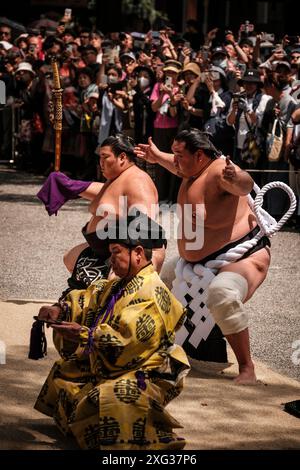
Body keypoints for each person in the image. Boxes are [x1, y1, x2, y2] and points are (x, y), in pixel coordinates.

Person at [34, 214, 190, 450]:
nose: (110, 260)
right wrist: (61, 308)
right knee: (66, 372)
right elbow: (92, 296)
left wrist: (84, 334)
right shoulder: (123, 282)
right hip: (112, 363)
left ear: (138, 253)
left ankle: (142, 443)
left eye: (116, 252)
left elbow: (128, 342)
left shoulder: (152, 293)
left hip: (143, 372)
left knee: (112, 397)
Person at [134, 129, 272, 384]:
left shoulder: (221, 172)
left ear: (199, 155)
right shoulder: (190, 169)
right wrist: (157, 156)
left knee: (223, 295)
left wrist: (238, 175)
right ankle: (161, 348)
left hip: (240, 258)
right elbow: (175, 165)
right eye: (173, 154)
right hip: (196, 262)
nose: (174, 160)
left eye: (179, 155)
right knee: (158, 283)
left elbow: (244, 184)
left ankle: (247, 368)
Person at [38, 134, 165, 289]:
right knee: (69, 258)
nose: (101, 163)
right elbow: (105, 195)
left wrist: (122, 258)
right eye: (100, 157)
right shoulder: (117, 177)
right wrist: (70, 186)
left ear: (122, 157)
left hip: (123, 250)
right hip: (102, 248)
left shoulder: (137, 181)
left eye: (105, 157)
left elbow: (145, 224)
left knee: (107, 290)